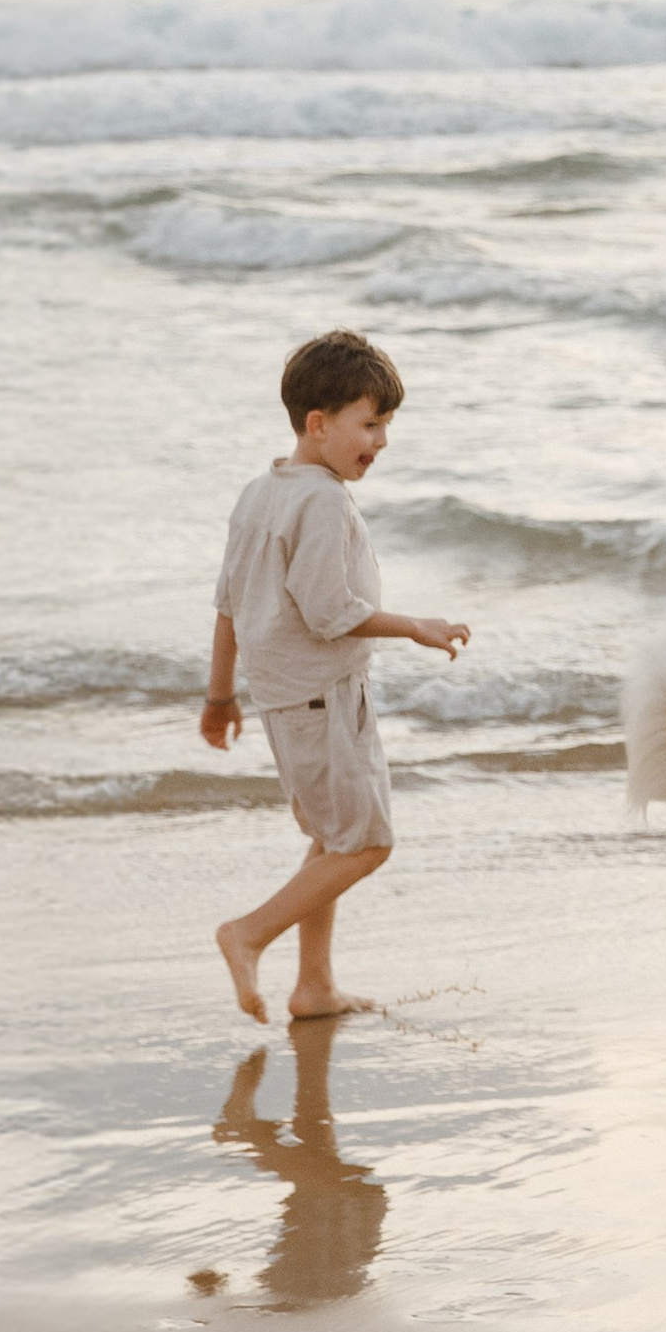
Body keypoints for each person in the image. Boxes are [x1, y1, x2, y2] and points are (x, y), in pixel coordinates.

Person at [203, 328, 470, 1025]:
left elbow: (228, 605)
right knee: (367, 844)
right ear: (319, 426)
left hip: (285, 700)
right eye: (370, 423)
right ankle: (249, 933)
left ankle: (314, 986)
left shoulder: (262, 491)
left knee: (330, 837)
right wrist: (415, 625)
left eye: (386, 424)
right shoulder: (320, 501)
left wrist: (220, 694)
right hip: (323, 699)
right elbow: (329, 614)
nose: (381, 441)